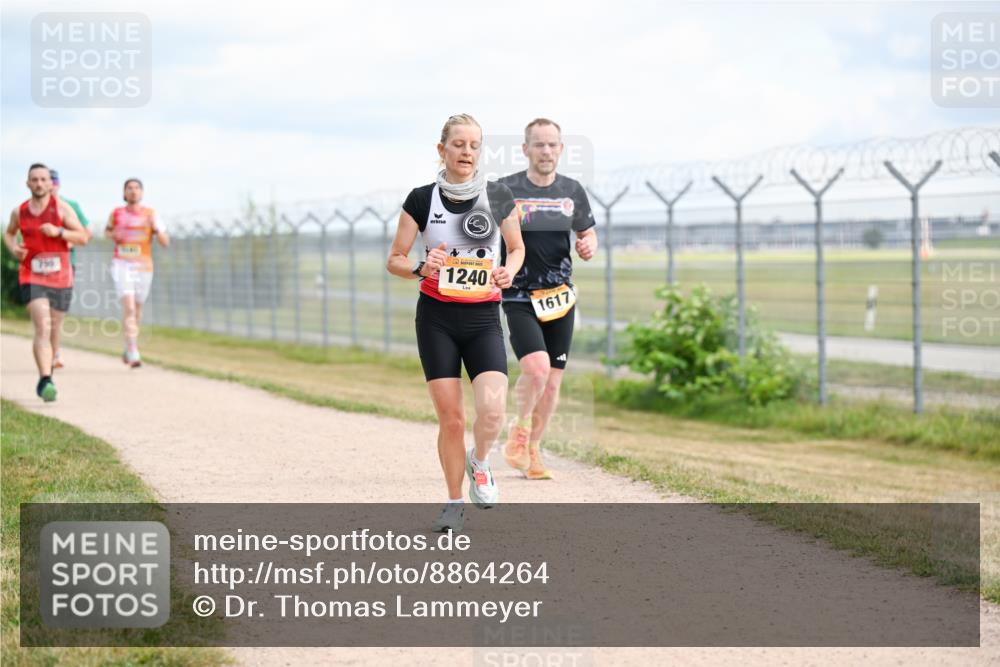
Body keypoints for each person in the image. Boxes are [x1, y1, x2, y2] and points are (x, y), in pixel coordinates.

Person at [387, 114, 524, 532]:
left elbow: (516, 250)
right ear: (441, 149)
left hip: (483, 317)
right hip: (437, 319)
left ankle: (480, 462)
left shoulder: (498, 196)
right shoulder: (420, 199)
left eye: (474, 145)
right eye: (459, 144)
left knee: (493, 410)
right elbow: (394, 259)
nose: (467, 152)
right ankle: (453, 501)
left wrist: (509, 271)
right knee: (452, 419)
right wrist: (420, 268)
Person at [499, 118, 597, 479]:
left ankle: (534, 451)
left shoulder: (572, 191)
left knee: (553, 380)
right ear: (526, 149)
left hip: (560, 296)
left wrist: (589, 245)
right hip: (519, 294)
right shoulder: (505, 189)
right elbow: (480, 231)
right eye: (539, 144)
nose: (546, 151)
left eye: (553, 144)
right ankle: (520, 430)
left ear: (561, 149)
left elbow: (587, 233)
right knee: (536, 369)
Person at [3, 163, 89, 401]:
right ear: (27, 183)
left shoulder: (62, 209)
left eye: (43, 179)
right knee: (43, 325)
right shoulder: (19, 212)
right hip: (32, 275)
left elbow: (83, 237)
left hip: (61, 277)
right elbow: (9, 233)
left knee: (54, 327)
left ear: (50, 184)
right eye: (35, 179)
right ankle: (45, 380)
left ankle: (50, 363)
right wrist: (13, 249)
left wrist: (59, 232)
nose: (39, 184)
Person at [105, 178, 169, 368]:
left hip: (144, 266)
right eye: (129, 188)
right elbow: (107, 232)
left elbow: (165, 241)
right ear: (124, 193)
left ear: (142, 193)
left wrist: (159, 233)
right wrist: (113, 235)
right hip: (122, 264)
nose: (133, 191)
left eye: (136, 188)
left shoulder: (151, 214)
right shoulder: (116, 213)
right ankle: (133, 349)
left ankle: (129, 345)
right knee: (130, 307)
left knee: (138, 310)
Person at [49, 168, 92, 368]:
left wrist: (67, 239)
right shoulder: (31, 208)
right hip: (39, 265)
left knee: (57, 314)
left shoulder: (70, 206)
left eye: (53, 182)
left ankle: (54, 352)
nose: (50, 186)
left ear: (58, 184)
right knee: (43, 313)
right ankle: (50, 351)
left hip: (65, 264)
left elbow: (86, 232)